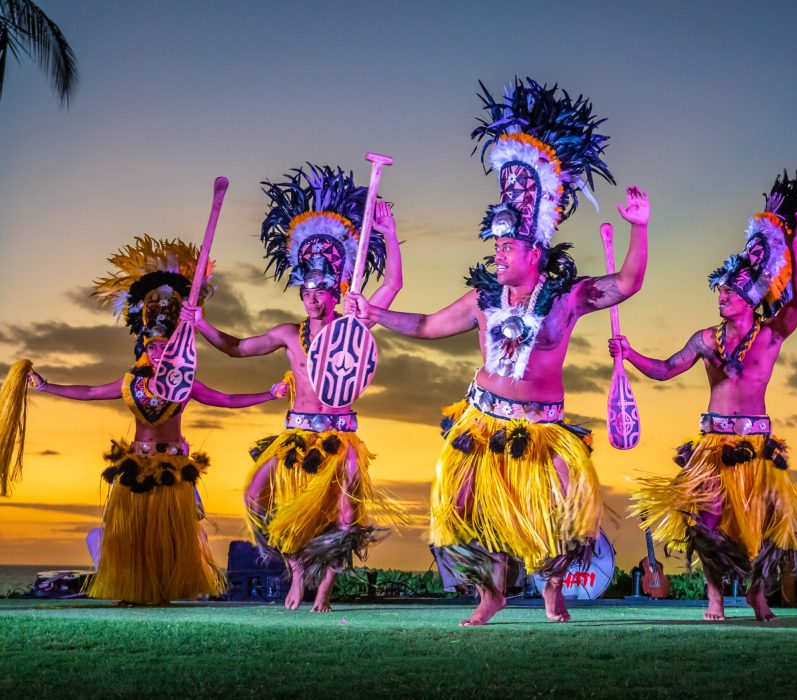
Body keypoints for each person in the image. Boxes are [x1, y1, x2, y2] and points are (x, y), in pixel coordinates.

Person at [348, 77, 649, 626]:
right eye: (495, 245)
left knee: (565, 509)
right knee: (461, 509)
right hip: (482, 420)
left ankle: (553, 588)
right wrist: (375, 315)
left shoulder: (567, 298)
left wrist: (639, 229)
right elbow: (427, 324)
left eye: (507, 245)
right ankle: (491, 593)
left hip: (543, 427)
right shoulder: (483, 300)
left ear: (535, 250)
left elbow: (627, 283)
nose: (497, 253)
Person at [0, 236, 285, 605]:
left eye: (165, 344)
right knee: (131, 533)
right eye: (152, 345)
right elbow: (88, 392)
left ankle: (163, 590)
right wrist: (47, 385)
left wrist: (269, 393)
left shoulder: (184, 382)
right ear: (143, 347)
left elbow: (227, 400)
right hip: (136, 464)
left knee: (170, 534)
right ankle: (133, 589)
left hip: (172, 466)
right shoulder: (130, 383)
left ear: (175, 346)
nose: (159, 349)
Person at [617, 171, 797, 622]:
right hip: (713, 446)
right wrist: (628, 354)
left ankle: (758, 593)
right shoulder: (705, 339)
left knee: (770, 525)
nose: (721, 295)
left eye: (729, 290)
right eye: (719, 290)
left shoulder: (772, 335)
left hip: (758, 448)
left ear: (748, 297)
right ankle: (715, 597)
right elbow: (665, 371)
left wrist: (794, 248)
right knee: (706, 524)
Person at [182, 164, 405, 612]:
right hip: (294, 435)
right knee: (254, 497)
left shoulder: (354, 322)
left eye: (322, 289)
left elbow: (395, 283)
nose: (313, 297)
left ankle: (325, 587)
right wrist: (201, 325)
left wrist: (390, 231)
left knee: (344, 517)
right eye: (306, 289)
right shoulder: (288, 334)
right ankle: (298, 571)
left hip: (339, 436)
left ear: (338, 288)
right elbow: (237, 349)